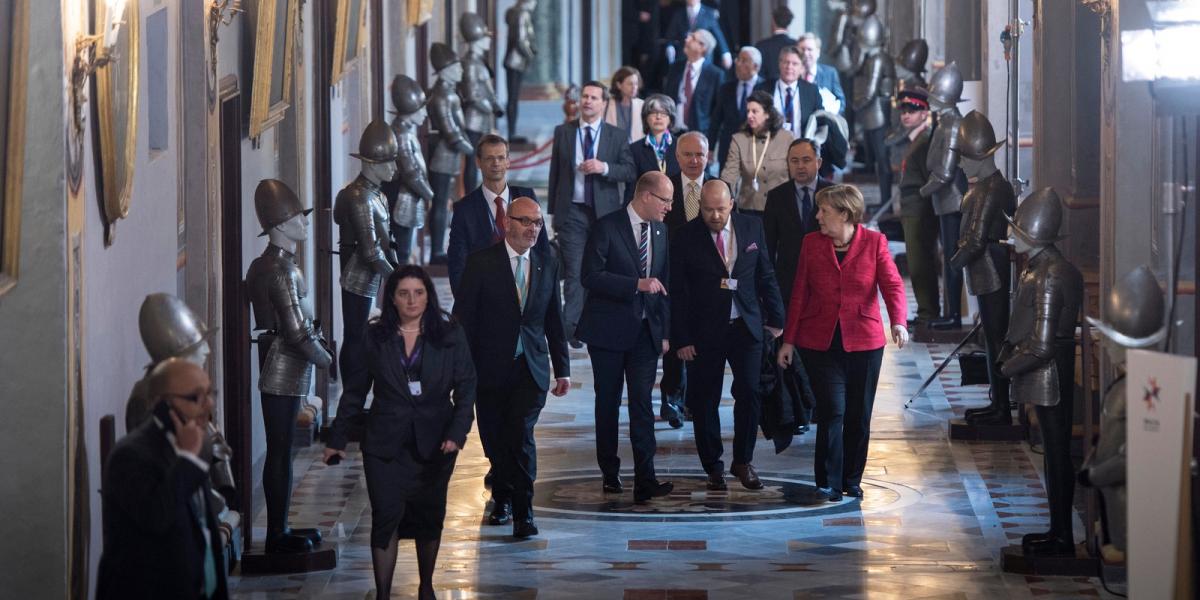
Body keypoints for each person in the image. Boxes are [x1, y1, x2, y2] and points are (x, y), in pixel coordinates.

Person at [325, 266, 476, 600]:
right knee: (385, 515)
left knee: (429, 514)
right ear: (391, 298)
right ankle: (383, 593)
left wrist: (457, 433)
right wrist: (337, 439)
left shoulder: (448, 333)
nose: (412, 300)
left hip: (436, 443)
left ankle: (426, 587)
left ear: (428, 295)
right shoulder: (375, 336)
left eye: (418, 293)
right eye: (403, 293)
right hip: (384, 443)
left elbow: (466, 387)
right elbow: (355, 391)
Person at [777, 185, 908, 502]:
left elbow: (892, 284)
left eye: (824, 210)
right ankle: (828, 481)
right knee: (832, 411)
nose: (818, 216)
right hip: (819, 342)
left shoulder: (874, 242)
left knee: (858, 415)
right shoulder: (812, 244)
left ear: (845, 214)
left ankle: (851, 479)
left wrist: (899, 321)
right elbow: (799, 294)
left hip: (865, 341)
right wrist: (788, 341)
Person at [453, 197, 570, 538]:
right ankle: (501, 495)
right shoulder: (481, 264)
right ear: (507, 223)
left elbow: (554, 319)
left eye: (537, 223)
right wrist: (460, 372)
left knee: (521, 435)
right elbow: (464, 321)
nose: (532, 229)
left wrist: (562, 368)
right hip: (489, 368)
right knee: (494, 438)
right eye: (525, 221)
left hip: (530, 367)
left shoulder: (548, 263)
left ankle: (524, 510)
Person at [671, 181, 785, 490]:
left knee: (749, 392)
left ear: (732, 203)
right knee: (704, 399)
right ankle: (713, 466)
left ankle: (743, 461)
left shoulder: (752, 226)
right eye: (708, 209)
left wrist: (777, 320)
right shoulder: (684, 236)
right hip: (703, 330)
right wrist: (681, 338)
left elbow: (765, 274)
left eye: (720, 209)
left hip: (746, 326)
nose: (715, 215)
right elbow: (678, 293)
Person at [577, 171, 675, 503]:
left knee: (643, 405)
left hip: (645, 334)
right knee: (607, 403)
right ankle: (610, 472)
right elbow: (590, 276)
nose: (670, 208)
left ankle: (645, 479)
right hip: (607, 331)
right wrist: (634, 284)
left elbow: (664, 284)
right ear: (646, 196)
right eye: (666, 200)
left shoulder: (661, 231)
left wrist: (664, 332)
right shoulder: (607, 226)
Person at [96, 359, 228, 600]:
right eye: (195, 397)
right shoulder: (130, 455)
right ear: (163, 404)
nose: (208, 405)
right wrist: (187, 461)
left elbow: (204, 529)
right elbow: (157, 516)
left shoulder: (196, 441)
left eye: (210, 393)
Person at [547, 80, 637, 347]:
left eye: (593, 97)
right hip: (572, 211)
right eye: (584, 96)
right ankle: (571, 328)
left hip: (605, 213)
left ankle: (595, 322)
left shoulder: (616, 135)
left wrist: (604, 167)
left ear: (603, 102)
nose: (587, 101)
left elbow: (629, 171)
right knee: (574, 271)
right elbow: (555, 175)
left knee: (599, 270)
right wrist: (555, 214)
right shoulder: (563, 132)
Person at [763, 138, 833, 430]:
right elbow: (768, 246)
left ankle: (823, 404)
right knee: (790, 347)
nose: (800, 166)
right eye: (794, 161)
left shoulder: (832, 193)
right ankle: (798, 411)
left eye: (806, 160)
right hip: (788, 283)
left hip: (825, 285)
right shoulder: (777, 196)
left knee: (821, 349)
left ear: (818, 162)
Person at [659, 131, 715, 426]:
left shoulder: (719, 187)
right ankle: (671, 398)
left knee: (703, 341)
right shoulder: (665, 187)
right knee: (674, 336)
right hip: (672, 272)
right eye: (687, 154)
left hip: (708, 278)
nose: (694, 160)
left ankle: (696, 399)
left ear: (709, 156)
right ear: (677, 157)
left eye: (700, 154)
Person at [447, 134, 545, 295]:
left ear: (508, 161)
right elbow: (457, 263)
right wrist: (465, 304)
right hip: (484, 294)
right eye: (489, 158)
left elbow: (542, 249)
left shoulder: (527, 196)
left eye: (501, 158)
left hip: (526, 288)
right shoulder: (464, 209)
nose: (496, 163)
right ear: (478, 162)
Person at [894, 89, 940, 327]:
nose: (906, 115)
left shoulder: (924, 141)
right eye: (904, 111)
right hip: (912, 207)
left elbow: (926, 178)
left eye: (912, 111)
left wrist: (920, 200)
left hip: (920, 209)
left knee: (920, 262)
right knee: (917, 261)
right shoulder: (916, 139)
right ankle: (926, 310)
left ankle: (928, 313)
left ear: (925, 113)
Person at [720, 90, 793, 215]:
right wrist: (721, 196)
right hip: (749, 208)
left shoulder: (787, 138)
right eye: (748, 111)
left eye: (754, 111)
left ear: (767, 114)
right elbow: (729, 175)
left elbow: (794, 174)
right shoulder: (739, 139)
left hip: (781, 208)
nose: (749, 115)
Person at [709, 47, 764, 173]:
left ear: (756, 67)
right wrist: (710, 147)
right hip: (728, 149)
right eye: (738, 59)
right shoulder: (726, 88)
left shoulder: (765, 88)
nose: (738, 64)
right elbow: (716, 120)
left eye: (744, 61)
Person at [664, 29, 723, 137]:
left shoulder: (715, 74)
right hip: (673, 133)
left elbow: (717, 111)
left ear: (702, 47)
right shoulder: (675, 68)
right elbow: (667, 98)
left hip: (699, 135)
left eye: (693, 38)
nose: (687, 39)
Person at [758, 46, 824, 138]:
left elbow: (821, 122)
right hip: (770, 148)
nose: (789, 67)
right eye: (786, 62)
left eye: (795, 64)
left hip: (802, 148)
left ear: (801, 68)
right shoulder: (763, 89)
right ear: (779, 64)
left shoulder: (812, 91)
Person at [627, 94, 681, 203]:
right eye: (653, 113)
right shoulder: (634, 149)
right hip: (648, 207)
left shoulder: (682, 145)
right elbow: (631, 187)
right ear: (646, 118)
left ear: (671, 118)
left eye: (664, 113)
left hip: (678, 205)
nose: (658, 117)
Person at [663, 0, 732, 70]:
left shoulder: (709, 13)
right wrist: (670, 46)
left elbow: (718, 35)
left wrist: (725, 52)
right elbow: (670, 35)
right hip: (683, 56)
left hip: (703, 57)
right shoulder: (679, 14)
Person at [504, 0, 537, 141]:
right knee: (513, 99)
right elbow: (521, 40)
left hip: (515, 61)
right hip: (515, 61)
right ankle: (511, 133)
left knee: (513, 99)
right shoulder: (521, 14)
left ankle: (512, 132)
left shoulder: (518, 13)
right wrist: (530, 56)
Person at [797, 32, 846, 114]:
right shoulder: (792, 74)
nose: (805, 53)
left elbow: (841, 102)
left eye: (809, 49)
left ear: (818, 52)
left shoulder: (830, 73)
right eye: (802, 49)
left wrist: (831, 113)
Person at [754, 6, 796, 82]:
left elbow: (757, 72)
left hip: (765, 90)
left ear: (773, 21)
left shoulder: (761, 45)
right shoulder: (796, 45)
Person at [605, 66, 645, 143]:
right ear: (619, 85)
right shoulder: (606, 104)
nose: (634, 87)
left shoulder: (642, 105)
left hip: (635, 150)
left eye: (636, 84)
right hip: (613, 150)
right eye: (630, 84)